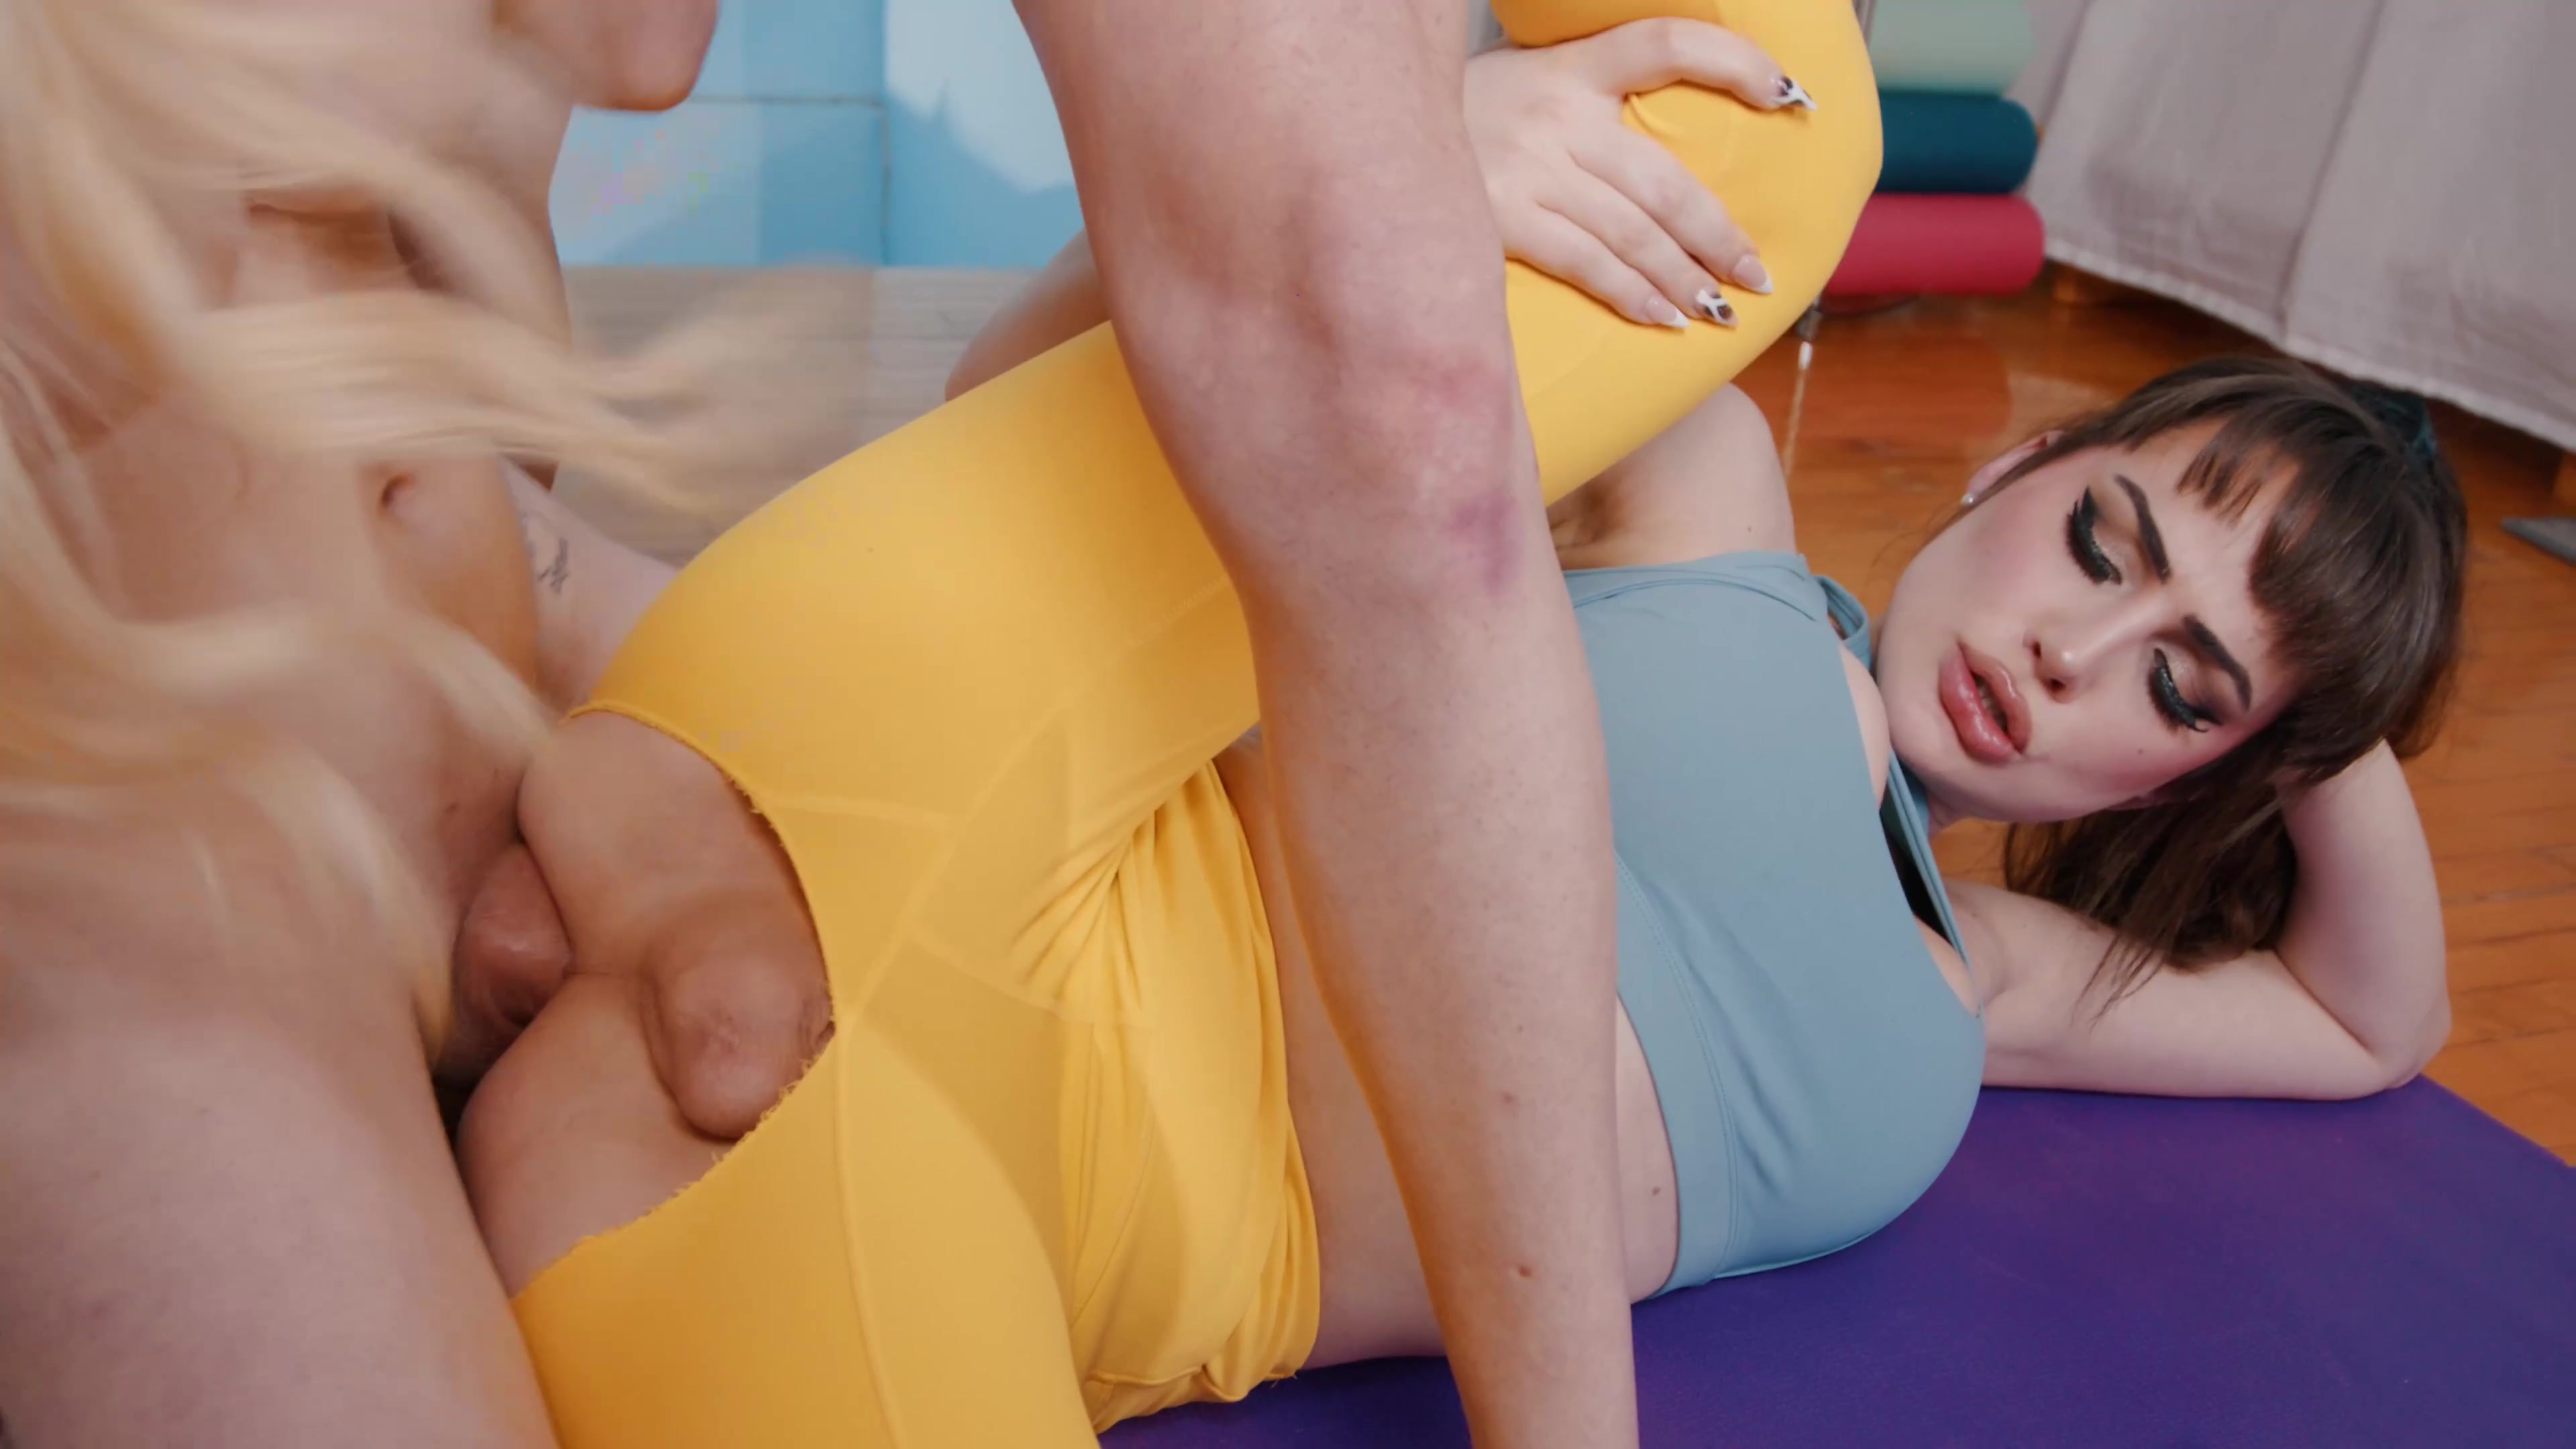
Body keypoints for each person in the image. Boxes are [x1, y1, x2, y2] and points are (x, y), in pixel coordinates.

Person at [454, 25, 2461, 1449]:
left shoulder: (1988, 979)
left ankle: (580, 818)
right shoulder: (1701, 497)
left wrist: (2324, 673)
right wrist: (1401, 155)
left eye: (2176, 686)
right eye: (2104, 542)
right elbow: (1085, 414)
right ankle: (597, 758)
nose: (2073, 653)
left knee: (569, 972)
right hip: (1008, 850)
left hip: (973, 1221)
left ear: (2206, 778)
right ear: (2021, 461)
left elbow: (2369, 1020)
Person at [0, 1, 1847, 1443]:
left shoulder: (377, 306)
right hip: (398, 991)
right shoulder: (156, 998)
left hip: (691, 834)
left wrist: (656, 839)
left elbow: (624, 603)